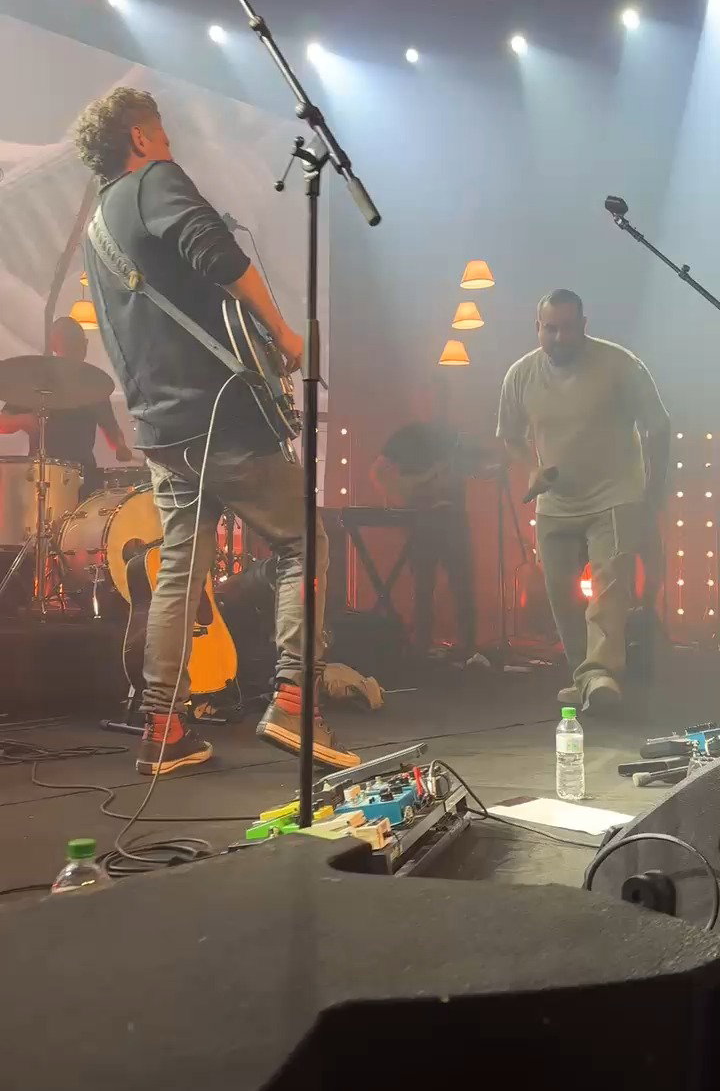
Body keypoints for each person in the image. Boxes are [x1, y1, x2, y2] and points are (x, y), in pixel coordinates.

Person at [73, 86, 359, 776]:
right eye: (163, 135)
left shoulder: (97, 226)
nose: (169, 146)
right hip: (218, 415)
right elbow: (219, 256)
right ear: (139, 138)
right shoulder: (155, 182)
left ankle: (164, 728)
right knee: (305, 540)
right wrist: (285, 335)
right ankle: (294, 703)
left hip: (162, 427)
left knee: (180, 570)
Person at [497, 288, 670, 714]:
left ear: (584, 326)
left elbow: (658, 425)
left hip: (615, 496)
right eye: (550, 329)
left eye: (568, 328)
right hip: (555, 503)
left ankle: (602, 674)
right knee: (560, 595)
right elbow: (510, 435)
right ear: (538, 328)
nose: (559, 337)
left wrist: (653, 491)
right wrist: (531, 468)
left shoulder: (620, 364)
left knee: (609, 588)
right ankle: (586, 677)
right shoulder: (520, 375)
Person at [370, 419, 478, 662]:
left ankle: (466, 647)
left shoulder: (455, 436)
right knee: (423, 584)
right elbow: (378, 471)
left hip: (452, 517)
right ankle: (422, 645)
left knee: (460, 583)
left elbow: (474, 468)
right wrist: (402, 493)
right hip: (422, 518)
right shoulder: (407, 434)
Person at [0, 316, 133, 493]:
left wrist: (121, 447)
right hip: (42, 473)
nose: (77, 347)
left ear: (85, 343)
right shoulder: (37, 379)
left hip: (84, 475)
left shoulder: (94, 383)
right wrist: (23, 420)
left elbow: (111, 429)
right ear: (54, 346)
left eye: (79, 342)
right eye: (70, 342)